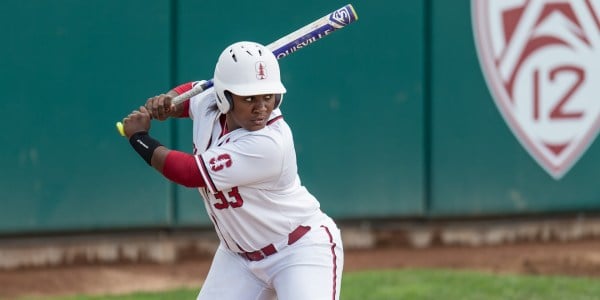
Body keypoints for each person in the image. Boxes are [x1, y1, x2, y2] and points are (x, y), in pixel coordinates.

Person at [121, 41, 344, 300]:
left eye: (268, 96)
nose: (261, 107)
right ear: (224, 97)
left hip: (299, 250)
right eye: (249, 98)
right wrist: (170, 100)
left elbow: (189, 172)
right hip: (237, 259)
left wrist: (139, 137)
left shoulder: (269, 143)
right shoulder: (209, 103)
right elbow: (191, 94)